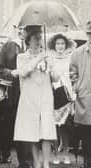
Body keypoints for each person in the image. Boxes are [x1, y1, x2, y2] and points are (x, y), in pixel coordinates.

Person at [13, 25, 57, 168]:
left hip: (45, 96)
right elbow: (23, 72)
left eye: (39, 38)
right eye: (35, 38)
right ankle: (37, 162)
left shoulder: (46, 55)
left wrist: (51, 65)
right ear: (28, 40)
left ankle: (45, 164)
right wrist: (38, 58)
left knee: (47, 131)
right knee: (31, 131)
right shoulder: (22, 57)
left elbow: (56, 78)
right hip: (29, 97)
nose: (38, 41)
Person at [0, 27, 30, 166]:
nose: (24, 32)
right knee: (9, 124)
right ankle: (5, 153)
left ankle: (26, 159)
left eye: (27, 29)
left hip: (28, 92)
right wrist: (12, 72)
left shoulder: (33, 48)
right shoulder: (9, 46)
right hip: (12, 92)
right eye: (22, 29)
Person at [47, 33, 76, 164]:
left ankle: (65, 153)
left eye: (62, 44)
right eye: (58, 44)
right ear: (54, 45)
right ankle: (56, 154)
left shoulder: (70, 57)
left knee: (66, 125)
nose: (60, 46)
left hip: (67, 93)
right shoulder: (50, 58)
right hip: (54, 93)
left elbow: (74, 74)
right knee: (55, 125)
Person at [70, 21, 91, 168]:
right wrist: (77, 86)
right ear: (87, 34)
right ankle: (87, 161)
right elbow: (72, 74)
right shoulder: (77, 53)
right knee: (86, 133)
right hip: (85, 99)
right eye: (90, 33)